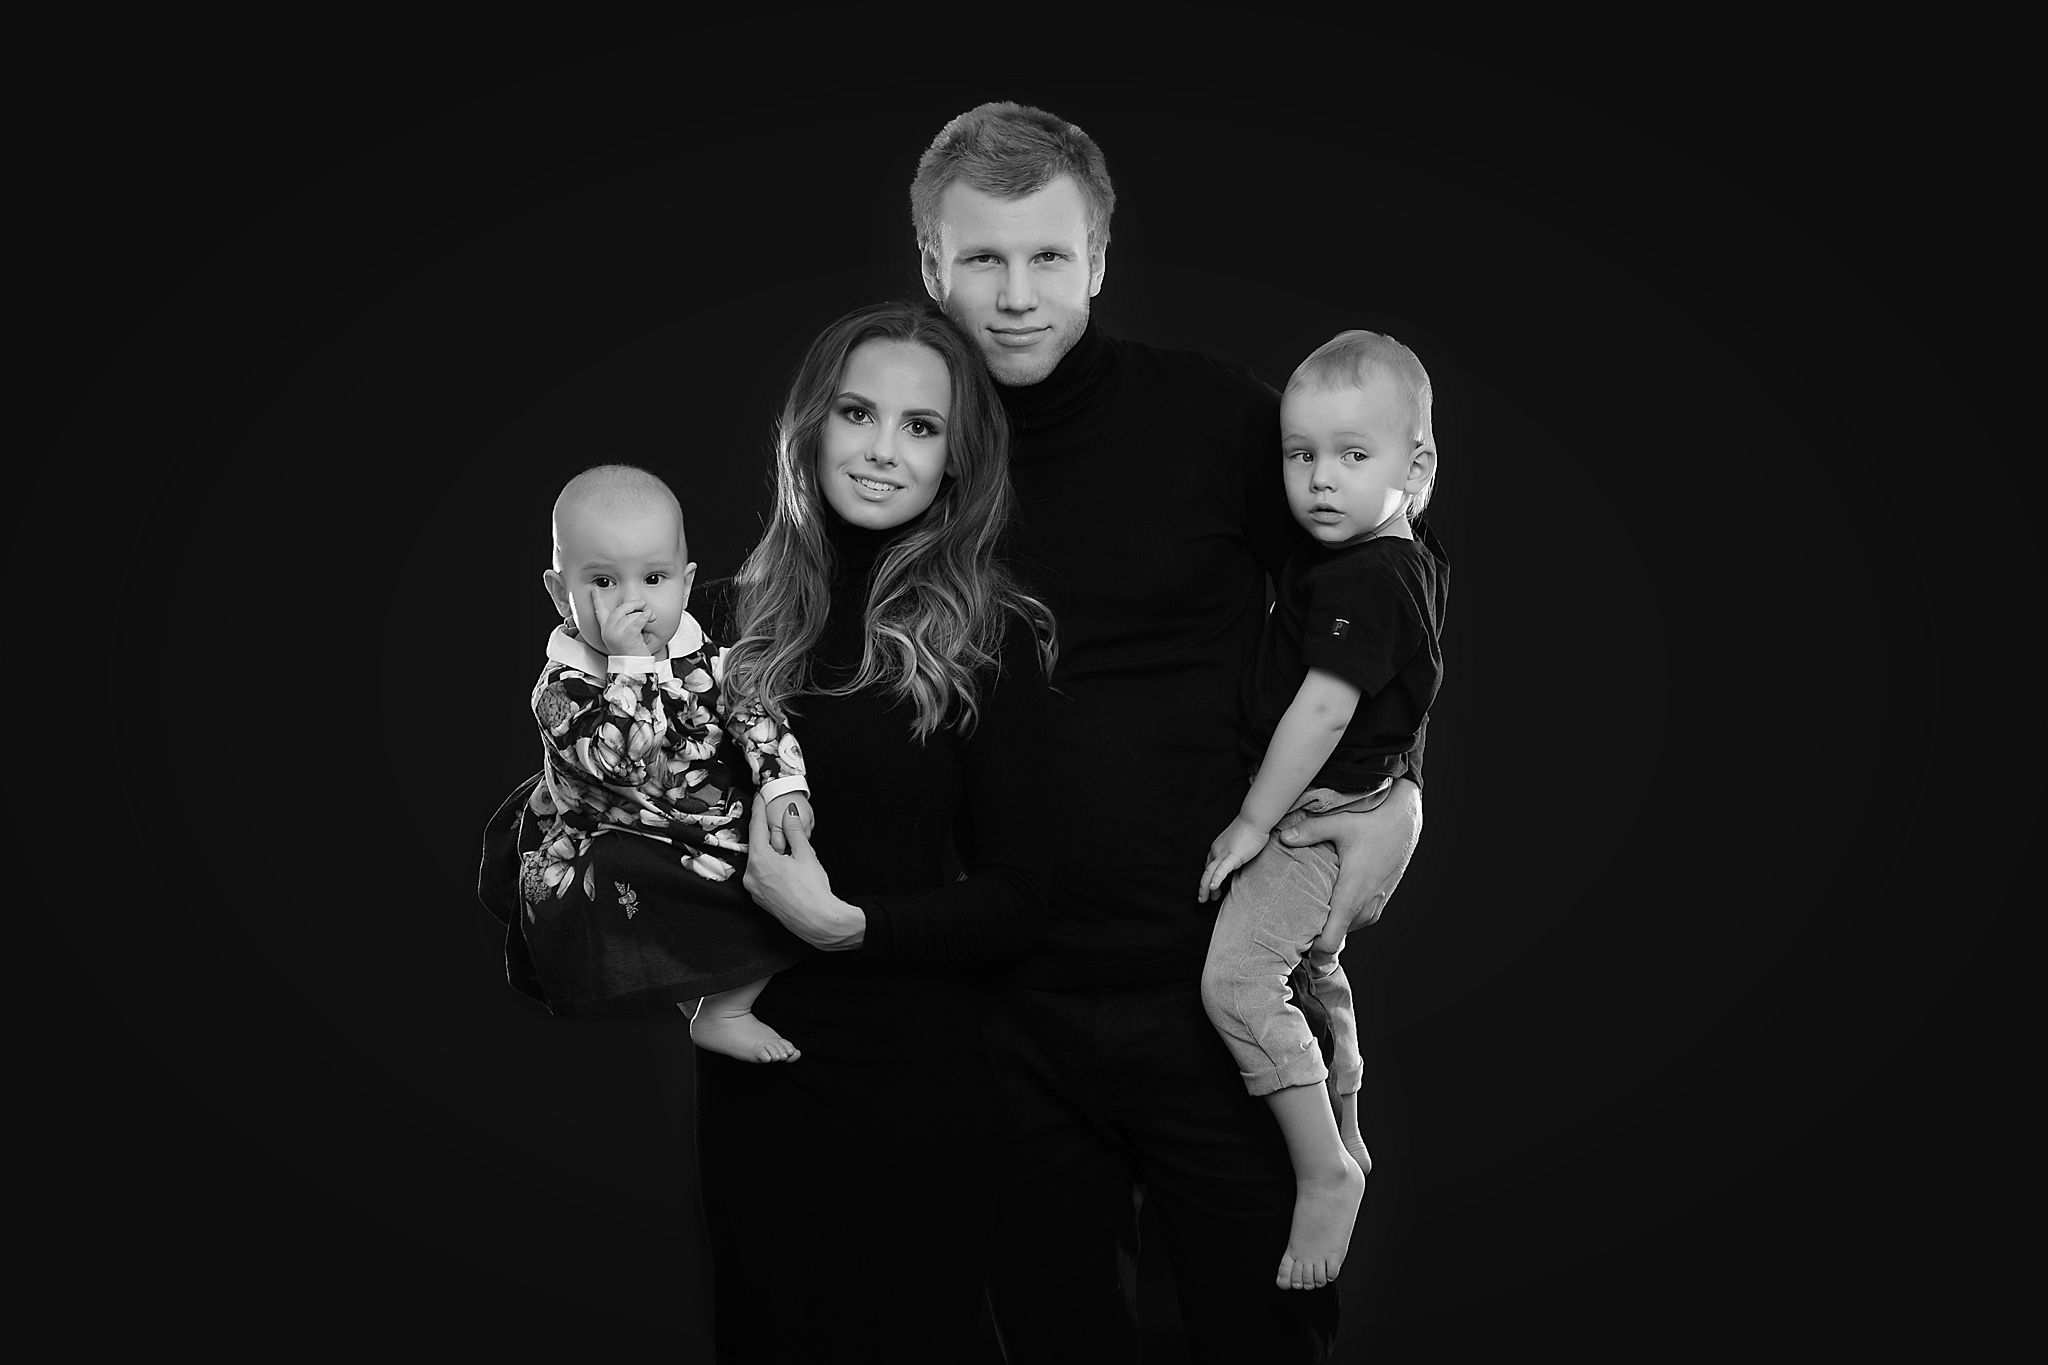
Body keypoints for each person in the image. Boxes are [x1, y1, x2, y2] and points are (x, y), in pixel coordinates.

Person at [911, 102, 1436, 1360]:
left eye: (1049, 256)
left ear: (1098, 259)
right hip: (998, 1007)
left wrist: (1398, 790)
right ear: (931, 266)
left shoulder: (1214, 420)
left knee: (1261, 1336)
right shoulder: (901, 449)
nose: (1017, 296)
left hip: (1211, 986)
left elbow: (1381, 587)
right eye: (981, 259)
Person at [690, 300, 1059, 1362]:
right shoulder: (718, 625)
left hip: (916, 1084)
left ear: (955, 462)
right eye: (858, 413)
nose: (883, 451)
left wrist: (851, 927)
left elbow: (1021, 897)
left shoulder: (987, 636)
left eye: (920, 426)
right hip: (758, 1080)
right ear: (811, 426)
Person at [1196, 330, 1448, 1293]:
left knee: (1239, 985)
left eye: (1352, 454)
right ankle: (1344, 1119)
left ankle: (1323, 1169)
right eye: (1300, 455)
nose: (1320, 480)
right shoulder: (1402, 552)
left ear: (1414, 466)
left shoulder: (1364, 577)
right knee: (1313, 969)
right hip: (1346, 793)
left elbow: (1324, 710)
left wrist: (1253, 822)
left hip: (1313, 809)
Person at [500, 463, 816, 1059]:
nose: (634, 604)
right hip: (620, 824)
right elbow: (618, 763)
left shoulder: (701, 653)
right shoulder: (562, 688)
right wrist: (629, 668)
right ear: (560, 594)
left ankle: (715, 995)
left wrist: (781, 783)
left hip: (701, 812)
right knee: (650, 884)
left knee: (785, 867)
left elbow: (752, 713)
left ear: (685, 583)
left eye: (653, 578)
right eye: (603, 582)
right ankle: (720, 1010)